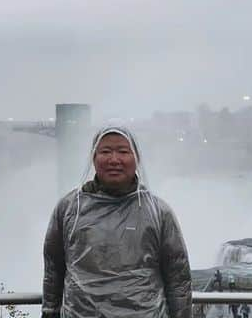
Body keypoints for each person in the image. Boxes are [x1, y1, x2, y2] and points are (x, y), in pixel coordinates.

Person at [42, 124, 192, 318]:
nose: (114, 160)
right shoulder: (70, 209)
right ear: (93, 158)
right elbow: (53, 272)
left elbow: (178, 280)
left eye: (123, 151)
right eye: (105, 151)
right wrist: (49, 313)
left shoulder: (158, 212)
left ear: (136, 158)